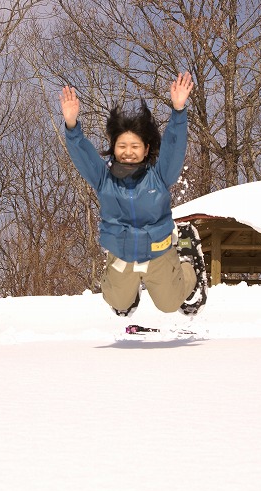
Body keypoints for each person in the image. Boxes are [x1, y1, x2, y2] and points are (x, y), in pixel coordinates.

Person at [60, 72, 206, 316]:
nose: (128, 151)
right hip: (121, 252)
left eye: (135, 146)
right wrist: (72, 127)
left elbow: (174, 147)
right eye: (122, 146)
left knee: (169, 305)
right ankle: (129, 291)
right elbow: (82, 155)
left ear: (146, 148)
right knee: (117, 302)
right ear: (114, 148)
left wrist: (178, 111)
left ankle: (188, 264)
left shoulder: (159, 177)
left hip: (159, 252)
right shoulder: (103, 179)